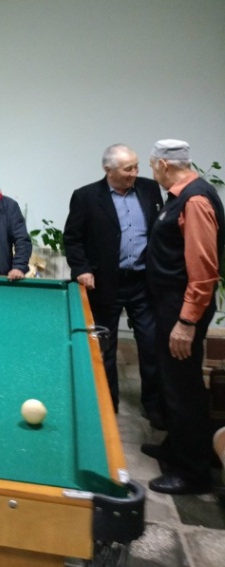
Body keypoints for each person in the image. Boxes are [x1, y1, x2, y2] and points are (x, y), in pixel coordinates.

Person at [142, 139, 225, 495]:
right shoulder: (179, 196)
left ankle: (194, 473)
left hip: (182, 308)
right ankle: (177, 448)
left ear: (163, 164)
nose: (152, 172)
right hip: (169, 304)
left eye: (151, 166)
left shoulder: (195, 200)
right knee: (172, 380)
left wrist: (187, 322)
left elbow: (204, 270)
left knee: (183, 388)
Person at [63, 144, 164, 425]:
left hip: (143, 282)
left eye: (136, 166)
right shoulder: (86, 196)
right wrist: (82, 269)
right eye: (128, 168)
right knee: (105, 346)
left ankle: (154, 405)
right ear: (108, 170)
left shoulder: (149, 190)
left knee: (151, 344)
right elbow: (72, 238)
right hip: (105, 283)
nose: (135, 173)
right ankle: (108, 403)